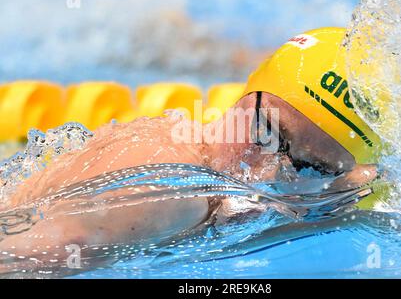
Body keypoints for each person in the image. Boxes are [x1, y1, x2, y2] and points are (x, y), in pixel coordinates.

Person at [0, 27, 379, 275]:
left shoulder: (322, 182)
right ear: (243, 94)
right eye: (265, 132)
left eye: (310, 167)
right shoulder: (168, 192)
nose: (266, 173)